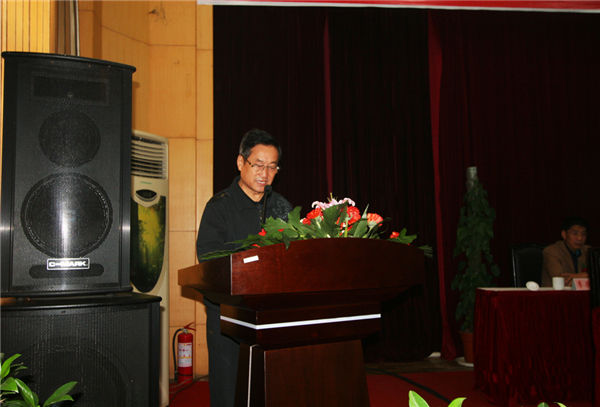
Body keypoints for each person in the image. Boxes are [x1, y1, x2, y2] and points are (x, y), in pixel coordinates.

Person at [196, 129, 292, 407]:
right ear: (241, 162)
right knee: (229, 390)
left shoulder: (281, 207)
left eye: (272, 167)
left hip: (271, 313)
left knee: (270, 388)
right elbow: (209, 258)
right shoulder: (219, 207)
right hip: (229, 313)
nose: (265, 174)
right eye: (258, 165)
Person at [541, 216, 590, 287]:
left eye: (583, 234)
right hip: (557, 292)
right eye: (575, 233)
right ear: (564, 234)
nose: (580, 238)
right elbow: (561, 280)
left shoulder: (588, 251)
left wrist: (584, 275)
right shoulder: (551, 251)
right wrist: (587, 276)